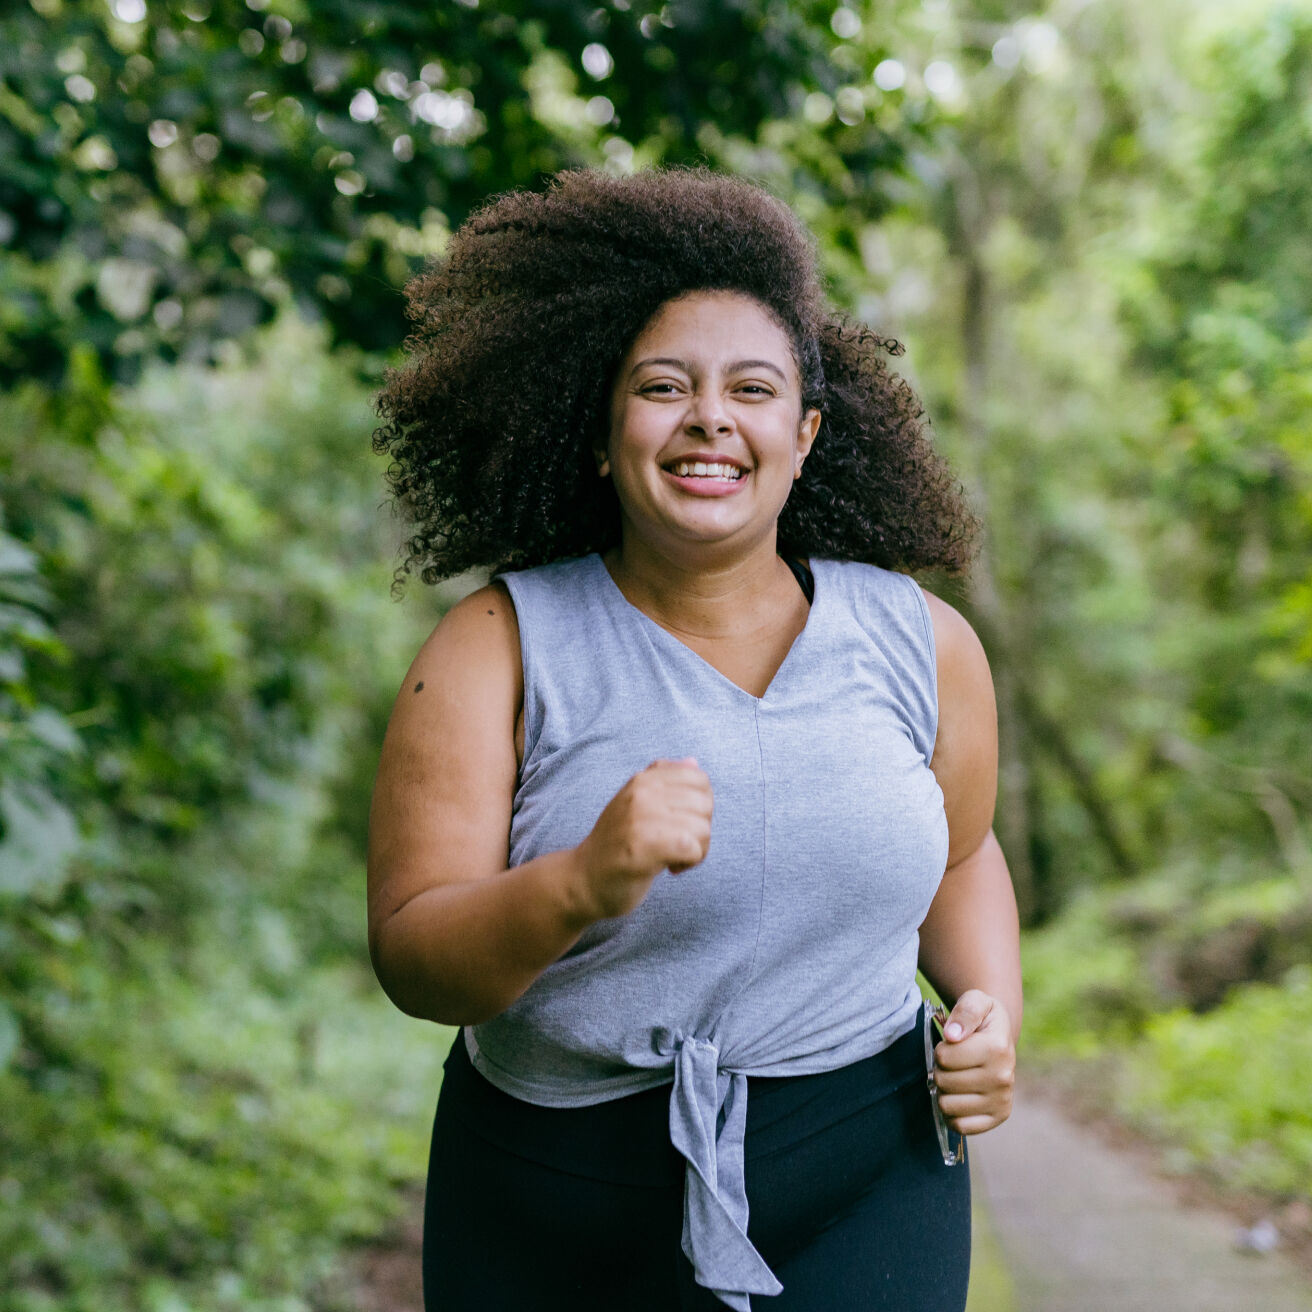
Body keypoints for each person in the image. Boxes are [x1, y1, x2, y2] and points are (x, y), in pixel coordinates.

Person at [367, 168, 1021, 1312]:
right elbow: (415, 956)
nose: (709, 416)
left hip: (867, 1161)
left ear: (805, 433)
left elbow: (960, 856)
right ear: (602, 431)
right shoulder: (497, 645)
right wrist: (577, 883)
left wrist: (990, 1010)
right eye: (663, 386)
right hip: (556, 1185)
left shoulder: (922, 641)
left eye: (752, 389)